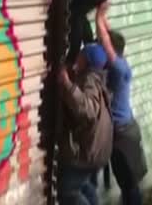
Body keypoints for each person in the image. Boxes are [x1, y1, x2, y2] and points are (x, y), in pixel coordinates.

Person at [57, 44, 114, 205]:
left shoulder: (89, 79)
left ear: (86, 60)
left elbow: (88, 110)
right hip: (99, 149)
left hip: (89, 151)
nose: (78, 56)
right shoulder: (97, 77)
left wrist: (67, 84)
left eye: (81, 54)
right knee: (84, 185)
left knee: (67, 191)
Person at [97, 27, 147, 205]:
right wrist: (101, 16)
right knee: (129, 184)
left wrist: (100, 15)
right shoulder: (120, 64)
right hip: (125, 131)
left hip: (122, 135)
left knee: (129, 185)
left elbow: (105, 42)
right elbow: (106, 39)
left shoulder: (118, 68)